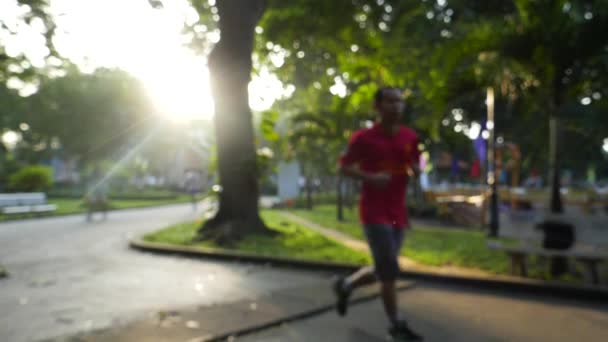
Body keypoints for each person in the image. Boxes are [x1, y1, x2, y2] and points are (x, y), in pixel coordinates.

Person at [334, 87, 423, 341]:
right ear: (377, 107)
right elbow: (344, 168)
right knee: (389, 271)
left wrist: (416, 169)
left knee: (384, 267)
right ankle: (396, 325)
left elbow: (415, 163)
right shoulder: (363, 138)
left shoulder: (409, 136)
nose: (396, 106)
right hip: (374, 211)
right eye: (390, 101)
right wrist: (370, 177)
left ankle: (346, 285)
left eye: (400, 102)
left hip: (397, 211)